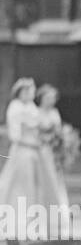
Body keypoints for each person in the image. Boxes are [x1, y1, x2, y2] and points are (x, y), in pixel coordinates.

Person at [1, 78, 52, 226]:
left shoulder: (31, 107)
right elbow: (15, 136)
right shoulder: (15, 107)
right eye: (29, 91)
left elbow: (39, 127)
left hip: (35, 151)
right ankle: (16, 220)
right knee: (20, 186)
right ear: (21, 92)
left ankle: (33, 220)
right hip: (23, 152)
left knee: (34, 186)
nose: (31, 94)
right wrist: (33, 143)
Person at [35, 85, 70, 209]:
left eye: (53, 98)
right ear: (42, 98)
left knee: (56, 176)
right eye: (48, 98)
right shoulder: (36, 112)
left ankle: (58, 205)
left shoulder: (55, 112)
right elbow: (35, 133)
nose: (51, 101)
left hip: (54, 150)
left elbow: (58, 130)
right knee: (45, 176)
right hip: (42, 149)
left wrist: (61, 140)